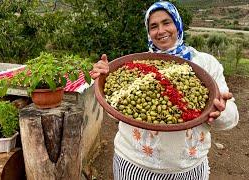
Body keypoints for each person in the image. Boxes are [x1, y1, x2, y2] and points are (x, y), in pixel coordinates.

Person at [92, 1, 239, 180]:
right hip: (135, 164)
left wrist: (220, 110)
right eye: (154, 26)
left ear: (177, 24)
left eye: (166, 22)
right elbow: (116, 113)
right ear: (148, 32)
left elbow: (230, 120)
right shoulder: (134, 65)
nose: (160, 31)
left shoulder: (205, 64)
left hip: (188, 168)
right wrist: (104, 80)